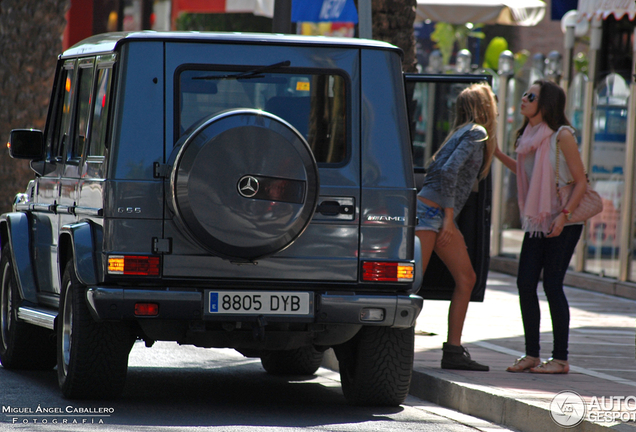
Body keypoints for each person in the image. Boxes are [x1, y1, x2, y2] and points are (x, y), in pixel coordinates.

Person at [494, 79, 587, 374]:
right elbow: (526, 172)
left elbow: (581, 181)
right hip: (538, 219)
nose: (523, 98)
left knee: (552, 284)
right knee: (524, 283)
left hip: (564, 218)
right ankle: (531, 355)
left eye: (530, 96)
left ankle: (560, 359)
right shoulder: (529, 136)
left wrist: (564, 215)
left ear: (544, 103)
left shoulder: (562, 135)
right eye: (524, 93)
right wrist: (496, 153)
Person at [416, 83, 498, 371]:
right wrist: (449, 217)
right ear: (485, 106)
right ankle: (401, 345)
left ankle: (453, 351)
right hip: (432, 214)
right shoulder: (476, 133)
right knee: (415, 282)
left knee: (465, 279)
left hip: (430, 212)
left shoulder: (464, 133)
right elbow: (450, 170)